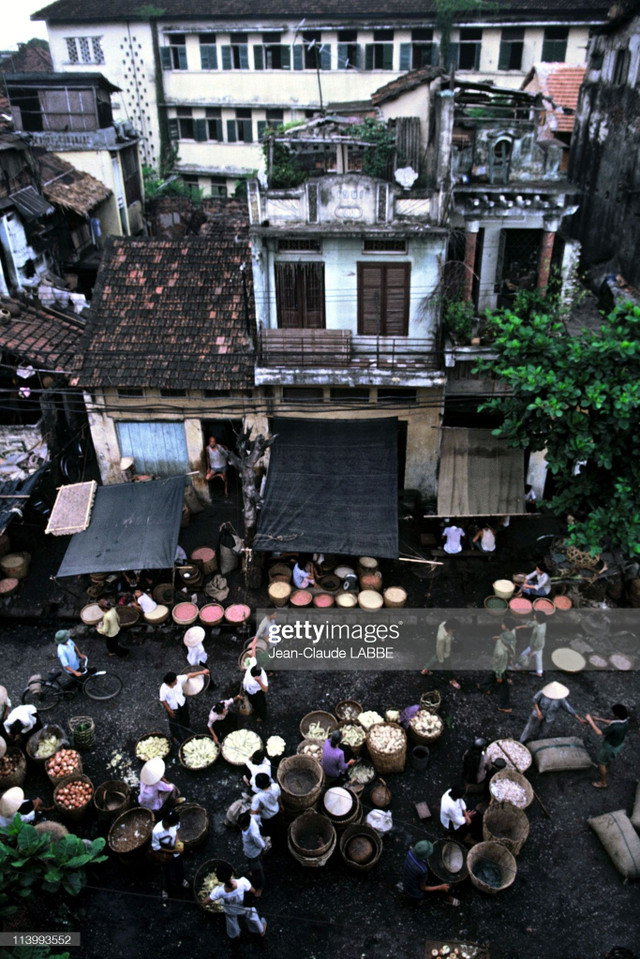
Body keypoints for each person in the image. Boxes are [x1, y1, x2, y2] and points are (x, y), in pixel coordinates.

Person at [204, 862, 266, 939]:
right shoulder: (242, 882)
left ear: (219, 879)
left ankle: (235, 935)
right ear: (231, 874)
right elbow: (253, 891)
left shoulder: (218, 891)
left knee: (231, 921)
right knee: (253, 915)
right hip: (244, 907)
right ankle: (260, 930)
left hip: (231, 910)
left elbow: (206, 901)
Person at [476, 616, 524, 713]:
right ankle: (504, 705)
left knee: (498, 677)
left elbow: (498, 666)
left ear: (506, 627)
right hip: (501, 663)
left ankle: (483, 686)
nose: (501, 625)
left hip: (500, 664)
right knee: (504, 686)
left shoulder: (501, 647)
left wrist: (498, 675)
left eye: (503, 624)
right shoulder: (510, 635)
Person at [519, 682, 585, 744]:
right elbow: (534, 700)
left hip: (549, 718)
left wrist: (580, 719)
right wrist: (538, 711)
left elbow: (569, 709)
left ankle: (537, 743)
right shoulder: (542, 693)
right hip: (537, 715)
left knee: (543, 732)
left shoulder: (560, 699)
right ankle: (521, 741)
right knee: (529, 728)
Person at [159, 668, 209, 744]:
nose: (176, 681)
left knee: (185, 716)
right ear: (169, 683)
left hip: (182, 703)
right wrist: (169, 711)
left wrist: (202, 672)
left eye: (176, 679)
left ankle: (186, 727)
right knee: (174, 722)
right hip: (173, 707)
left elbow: (189, 675)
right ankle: (175, 737)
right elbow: (163, 700)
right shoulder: (163, 689)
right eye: (174, 681)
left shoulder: (179, 679)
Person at [585, 704, 630, 789]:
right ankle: (607, 767)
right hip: (618, 744)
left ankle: (603, 782)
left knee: (601, 763)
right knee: (610, 758)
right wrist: (599, 719)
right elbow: (611, 722)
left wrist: (591, 721)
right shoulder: (626, 721)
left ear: (616, 715)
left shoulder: (615, 727)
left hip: (609, 747)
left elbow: (599, 732)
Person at [402, 840, 458, 906]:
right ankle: (446, 898)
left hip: (406, 880)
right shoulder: (422, 869)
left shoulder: (410, 852)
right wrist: (440, 887)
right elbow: (423, 887)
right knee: (447, 886)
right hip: (415, 891)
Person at [151, 808, 188, 901]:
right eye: (174, 824)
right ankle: (166, 889)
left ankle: (181, 880)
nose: (175, 825)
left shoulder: (174, 824)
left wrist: (178, 840)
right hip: (166, 855)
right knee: (167, 872)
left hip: (176, 851)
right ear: (167, 823)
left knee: (180, 867)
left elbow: (177, 830)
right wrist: (171, 852)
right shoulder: (156, 831)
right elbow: (156, 847)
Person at [421, 619, 461, 688]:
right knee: (447, 667)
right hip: (444, 652)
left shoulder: (443, 624)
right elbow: (439, 650)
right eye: (454, 629)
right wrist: (441, 660)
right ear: (450, 628)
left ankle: (426, 669)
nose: (454, 631)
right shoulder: (441, 638)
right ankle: (452, 680)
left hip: (443, 649)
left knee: (435, 658)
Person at [238, 810, 266, 894]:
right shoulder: (250, 818)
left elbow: (260, 844)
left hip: (254, 853)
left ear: (247, 825)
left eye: (242, 827)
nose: (241, 829)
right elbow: (257, 817)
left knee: (258, 870)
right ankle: (252, 870)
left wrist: (262, 847)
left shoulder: (254, 834)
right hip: (248, 850)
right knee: (251, 863)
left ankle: (260, 887)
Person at [250, 771, 282, 838]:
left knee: (268, 828)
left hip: (267, 817)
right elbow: (279, 797)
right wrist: (281, 805)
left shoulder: (257, 797)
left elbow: (253, 813)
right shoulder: (276, 786)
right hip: (276, 810)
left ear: (258, 785)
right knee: (277, 824)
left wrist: (260, 809)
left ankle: (269, 835)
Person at [516, 611, 547, 677]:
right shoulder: (541, 623)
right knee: (538, 659)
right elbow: (530, 624)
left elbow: (537, 642)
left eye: (535, 615)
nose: (534, 616)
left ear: (538, 618)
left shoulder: (540, 631)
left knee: (523, 654)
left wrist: (532, 651)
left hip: (534, 646)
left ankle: (517, 667)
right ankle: (539, 672)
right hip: (540, 646)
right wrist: (520, 627)